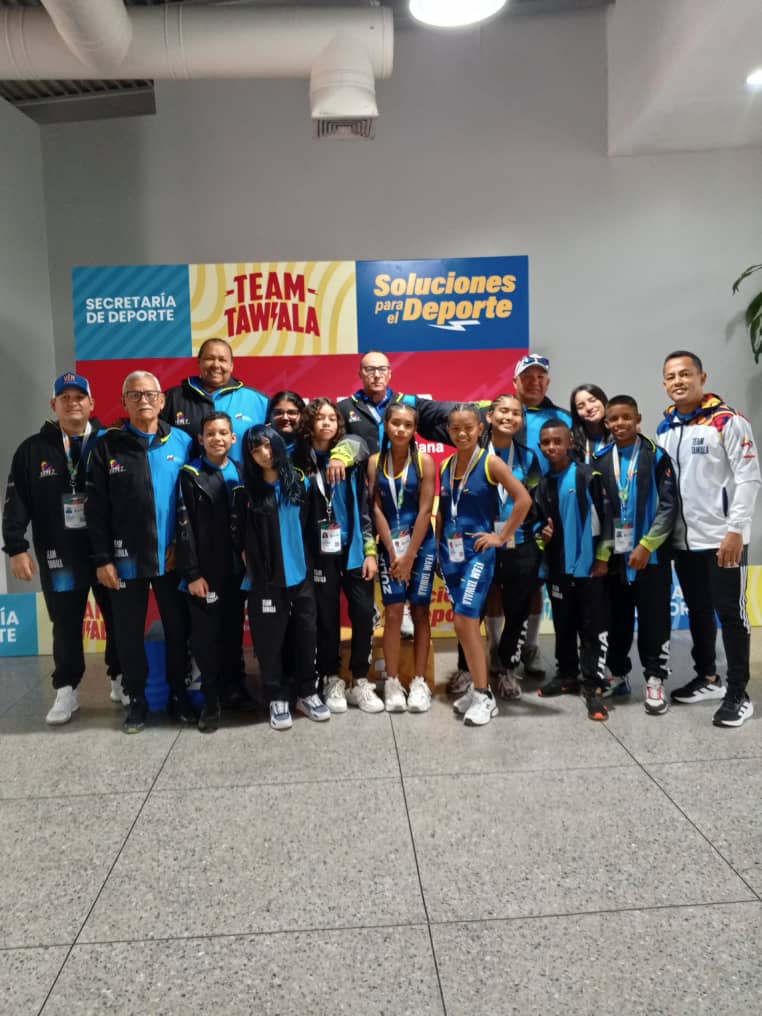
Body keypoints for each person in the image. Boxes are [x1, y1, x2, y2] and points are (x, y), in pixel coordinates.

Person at [2, 372, 122, 725]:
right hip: (60, 551)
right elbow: (16, 501)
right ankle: (66, 688)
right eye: (64, 398)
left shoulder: (110, 443)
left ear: (91, 403)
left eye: (79, 397)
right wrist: (16, 548)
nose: (72, 403)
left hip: (107, 550)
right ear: (53, 405)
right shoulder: (32, 449)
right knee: (66, 622)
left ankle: (120, 678)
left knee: (118, 616)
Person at [86, 371, 193, 734]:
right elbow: (96, 508)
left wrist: (184, 547)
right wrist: (102, 559)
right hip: (125, 560)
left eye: (150, 394)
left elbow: (193, 501)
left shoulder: (183, 441)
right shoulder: (106, 446)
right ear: (124, 402)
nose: (143, 400)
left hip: (172, 557)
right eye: (134, 395)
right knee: (128, 633)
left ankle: (178, 694)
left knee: (178, 629)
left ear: (162, 401)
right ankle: (137, 700)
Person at [657, 351, 761, 727]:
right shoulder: (666, 427)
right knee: (699, 610)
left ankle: (739, 694)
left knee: (731, 614)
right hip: (684, 541)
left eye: (686, 374)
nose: (678, 381)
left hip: (723, 539)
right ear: (664, 383)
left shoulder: (727, 421)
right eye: (671, 376)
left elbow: (749, 478)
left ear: (702, 377)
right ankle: (708, 678)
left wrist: (735, 531)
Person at [439, 404, 531, 727]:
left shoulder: (491, 463)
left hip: (478, 553)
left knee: (465, 620)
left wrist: (501, 536)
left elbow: (523, 499)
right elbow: (444, 513)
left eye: (468, 427)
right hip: (451, 555)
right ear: (449, 431)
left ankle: (484, 696)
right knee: (463, 625)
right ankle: (477, 686)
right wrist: (438, 551)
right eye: (455, 428)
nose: (462, 433)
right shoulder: (447, 465)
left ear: (481, 428)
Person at [233, 424, 327, 730]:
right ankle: (276, 696)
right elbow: (238, 536)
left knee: (306, 636)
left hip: (301, 576)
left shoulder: (299, 482)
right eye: (255, 449)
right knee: (269, 642)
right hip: (265, 582)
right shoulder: (245, 491)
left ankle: (307, 693)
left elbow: (312, 527)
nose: (264, 453)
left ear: (277, 444)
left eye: (267, 445)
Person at [297, 398, 381, 714]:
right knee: (327, 618)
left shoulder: (351, 456)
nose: (327, 423)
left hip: (354, 550)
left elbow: (361, 443)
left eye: (332, 418)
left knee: (363, 613)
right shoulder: (299, 460)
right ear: (309, 423)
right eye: (320, 418)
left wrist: (370, 551)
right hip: (319, 554)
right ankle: (331, 677)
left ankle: (360, 679)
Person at [594, 396, 676, 714]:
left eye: (626, 417)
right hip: (617, 558)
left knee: (654, 620)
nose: (620, 424)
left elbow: (669, 506)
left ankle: (655, 678)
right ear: (606, 423)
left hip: (650, 558)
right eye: (614, 419)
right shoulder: (601, 460)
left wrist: (646, 546)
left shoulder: (656, 455)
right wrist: (603, 556)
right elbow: (601, 514)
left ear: (638, 418)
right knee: (618, 619)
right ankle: (618, 674)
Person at [534, 419, 611, 721]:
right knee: (564, 625)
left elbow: (608, 519)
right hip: (558, 569)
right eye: (546, 442)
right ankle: (567, 674)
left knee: (591, 628)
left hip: (589, 569)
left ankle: (593, 685)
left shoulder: (587, 476)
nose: (551, 447)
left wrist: (603, 558)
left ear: (570, 443)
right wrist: (542, 534)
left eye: (557, 441)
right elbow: (538, 523)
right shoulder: (542, 484)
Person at [176, 412, 244, 733]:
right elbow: (184, 526)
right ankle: (211, 701)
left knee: (232, 633)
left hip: (238, 573)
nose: (218, 438)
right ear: (201, 439)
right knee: (207, 639)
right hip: (206, 574)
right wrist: (192, 573)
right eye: (211, 433)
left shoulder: (242, 471)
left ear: (233, 438)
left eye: (223, 433)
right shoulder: (190, 475)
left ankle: (234, 690)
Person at [367, 402, 436, 713]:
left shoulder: (425, 462)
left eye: (408, 425)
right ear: (386, 424)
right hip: (390, 548)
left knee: (420, 612)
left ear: (414, 429)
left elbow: (425, 510)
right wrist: (394, 552)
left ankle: (419, 682)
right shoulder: (374, 461)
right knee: (394, 613)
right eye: (396, 423)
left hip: (421, 546)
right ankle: (392, 682)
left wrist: (409, 556)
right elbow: (376, 508)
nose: (401, 429)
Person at [512, 353, 573, 681]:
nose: (534, 382)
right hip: (507, 514)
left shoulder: (563, 418)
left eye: (540, 377)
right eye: (528, 377)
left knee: (538, 582)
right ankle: (501, 649)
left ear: (547, 383)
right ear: (515, 382)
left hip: (550, 515)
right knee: (504, 587)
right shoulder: (504, 413)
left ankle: (531, 647)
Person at [484, 394, 542, 699]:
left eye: (516, 413)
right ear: (489, 416)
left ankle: (507, 668)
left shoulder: (528, 458)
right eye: (503, 411)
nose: (509, 417)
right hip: (483, 542)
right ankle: (479, 663)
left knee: (518, 609)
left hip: (519, 543)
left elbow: (535, 500)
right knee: (478, 606)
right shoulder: (475, 453)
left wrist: (541, 528)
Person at [161, 338, 268, 463]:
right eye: (209, 358)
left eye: (222, 360)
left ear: (231, 366)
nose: (216, 365)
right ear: (199, 362)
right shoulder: (173, 398)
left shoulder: (258, 401)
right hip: (186, 475)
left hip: (240, 476)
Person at [570, 383, 610, 463]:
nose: (588, 408)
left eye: (592, 401)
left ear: (603, 401)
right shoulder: (572, 442)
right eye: (581, 406)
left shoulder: (620, 438)